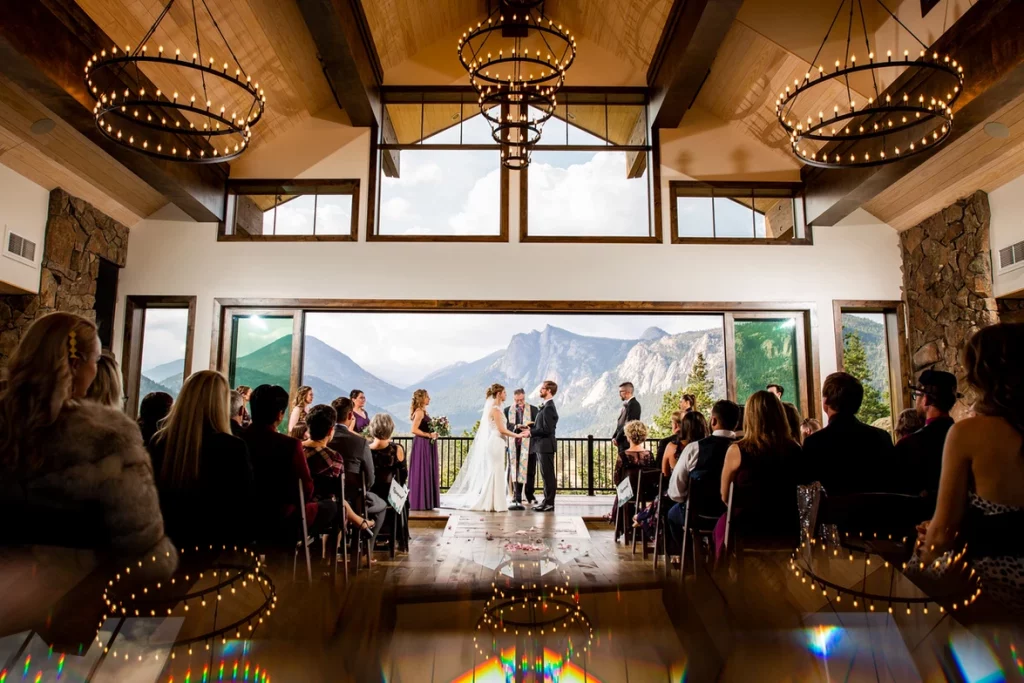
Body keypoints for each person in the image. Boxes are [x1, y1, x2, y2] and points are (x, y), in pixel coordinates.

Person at [0, 313, 176, 578]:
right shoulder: (106, 437)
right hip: (74, 595)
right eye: (95, 361)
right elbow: (145, 551)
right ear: (74, 364)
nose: (95, 371)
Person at [919, 323, 1024, 613]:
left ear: (980, 375)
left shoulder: (968, 434)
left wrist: (918, 570)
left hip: (991, 596)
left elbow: (941, 534)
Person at [147, 370, 253, 546]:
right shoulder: (232, 447)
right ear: (221, 404)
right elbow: (243, 507)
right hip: (214, 545)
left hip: (166, 542)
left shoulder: (159, 441)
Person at [242, 385, 337, 541]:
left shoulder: (238, 439)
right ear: (280, 414)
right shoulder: (289, 445)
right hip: (281, 519)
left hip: (243, 516)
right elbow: (306, 489)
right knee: (332, 507)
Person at [717, 391, 802, 556]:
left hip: (748, 530)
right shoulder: (795, 449)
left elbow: (725, 495)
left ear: (749, 417)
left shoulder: (738, 450)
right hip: (786, 529)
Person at [800, 372, 896, 496]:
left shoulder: (814, 443)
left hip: (833, 515)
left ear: (826, 401)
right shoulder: (882, 437)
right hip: (876, 513)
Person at [665, 400, 740, 554]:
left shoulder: (695, 448)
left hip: (697, 515)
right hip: (733, 516)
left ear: (713, 421)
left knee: (672, 515)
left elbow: (676, 492)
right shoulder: (743, 449)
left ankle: (690, 559)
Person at [444, 383, 523, 511]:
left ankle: (494, 502)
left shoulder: (497, 408)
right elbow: (502, 430)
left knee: (496, 471)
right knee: (496, 471)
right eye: (504, 393)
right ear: (498, 394)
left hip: (498, 442)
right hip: (496, 442)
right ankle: (495, 503)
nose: (505, 395)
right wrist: (518, 435)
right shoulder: (496, 410)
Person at [328, 397, 388, 553]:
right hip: (354, 497)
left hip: (326, 496)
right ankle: (363, 552)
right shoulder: (359, 442)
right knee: (381, 507)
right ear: (349, 416)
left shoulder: (324, 439)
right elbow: (370, 478)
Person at [303, 404, 375, 534]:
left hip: (293, 504)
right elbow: (337, 489)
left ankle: (360, 522)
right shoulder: (334, 457)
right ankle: (332, 551)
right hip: (322, 509)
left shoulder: (297, 450)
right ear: (331, 431)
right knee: (340, 503)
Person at [896, 370, 958, 500]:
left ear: (926, 399)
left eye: (917, 395)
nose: (916, 401)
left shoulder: (908, 445)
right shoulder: (964, 438)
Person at [368, 413, 408, 552]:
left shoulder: (366, 449)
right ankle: (399, 536)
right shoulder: (396, 449)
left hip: (370, 495)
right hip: (391, 496)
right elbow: (403, 475)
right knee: (405, 501)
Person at [614, 420, 654, 540]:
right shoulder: (649, 455)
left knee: (620, 494)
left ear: (628, 436)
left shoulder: (623, 455)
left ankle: (626, 528)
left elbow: (617, 478)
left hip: (628, 493)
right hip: (647, 492)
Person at [504, 388, 539, 510]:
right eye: (517, 400)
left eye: (522, 399)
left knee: (530, 470)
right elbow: (505, 425)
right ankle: (516, 495)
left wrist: (529, 427)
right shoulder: (507, 410)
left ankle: (529, 494)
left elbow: (537, 425)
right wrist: (516, 426)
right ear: (514, 399)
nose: (520, 402)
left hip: (529, 444)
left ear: (525, 397)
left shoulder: (533, 409)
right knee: (514, 469)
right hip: (514, 444)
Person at [528, 381, 559, 512]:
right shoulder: (545, 407)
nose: (540, 390)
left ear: (549, 391)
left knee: (548, 476)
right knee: (545, 475)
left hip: (545, 446)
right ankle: (546, 501)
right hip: (542, 445)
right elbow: (542, 426)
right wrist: (531, 426)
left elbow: (547, 429)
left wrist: (531, 432)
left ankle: (549, 503)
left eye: (542, 389)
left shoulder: (549, 407)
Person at [407, 389, 440, 510]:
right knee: (422, 469)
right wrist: (428, 435)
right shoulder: (420, 412)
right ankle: (420, 502)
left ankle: (425, 501)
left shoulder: (422, 411)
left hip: (426, 444)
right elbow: (414, 429)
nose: (429, 399)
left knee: (425, 470)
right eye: (427, 397)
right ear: (422, 399)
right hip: (422, 444)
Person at [662, 411, 710, 478]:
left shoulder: (671, 447)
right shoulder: (711, 448)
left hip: (676, 487)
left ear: (684, 426)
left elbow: (664, 475)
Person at [612, 382, 642, 458]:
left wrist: (617, 438)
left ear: (628, 392)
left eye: (621, 391)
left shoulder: (634, 405)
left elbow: (628, 424)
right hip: (622, 441)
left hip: (627, 442)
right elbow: (621, 424)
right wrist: (614, 437)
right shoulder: (628, 404)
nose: (619, 394)